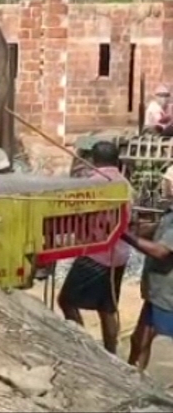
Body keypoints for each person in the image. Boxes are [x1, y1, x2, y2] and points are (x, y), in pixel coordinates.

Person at [56, 140, 131, 353]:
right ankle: (111, 353)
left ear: (93, 160)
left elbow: (77, 214)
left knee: (66, 301)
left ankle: (86, 349)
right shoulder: (125, 183)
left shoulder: (93, 183)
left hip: (97, 253)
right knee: (107, 307)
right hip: (120, 254)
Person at [120, 206, 173, 371]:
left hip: (168, 294)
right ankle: (134, 379)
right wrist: (129, 227)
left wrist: (123, 235)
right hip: (157, 291)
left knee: (161, 339)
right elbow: (154, 232)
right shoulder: (169, 213)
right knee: (140, 339)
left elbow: (161, 251)